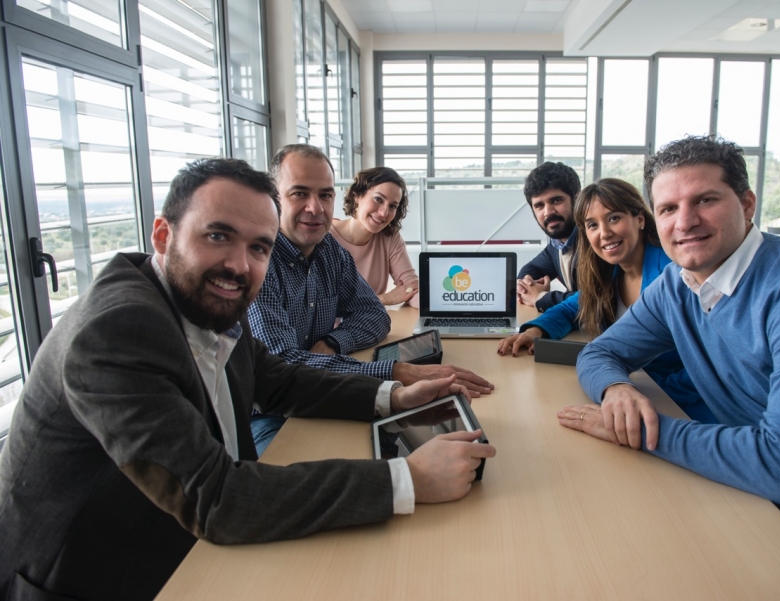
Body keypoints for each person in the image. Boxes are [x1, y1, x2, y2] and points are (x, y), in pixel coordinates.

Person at [0, 158, 496, 601]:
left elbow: (279, 380)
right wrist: (408, 477)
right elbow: (216, 500)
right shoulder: (117, 330)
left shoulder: (206, 302)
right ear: (162, 236)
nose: (239, 265)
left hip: (187, 541)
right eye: (218, 236)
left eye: (259, 247)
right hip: (99, 577)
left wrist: (395, 395)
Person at [559, 136, 780, 600]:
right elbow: (600, 354)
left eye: (705, 200)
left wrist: (640, 430)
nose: (685, 222)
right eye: (668, 208)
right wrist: (617, 391)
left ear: (746, 204)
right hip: (759, 489)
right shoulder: (678, 287)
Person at [248, 145, 492, 454]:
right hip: (270, 414)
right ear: (274, 197)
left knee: (413, 445)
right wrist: (394, 371)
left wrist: (333, 343)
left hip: (327, 390)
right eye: (299, 194)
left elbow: (376, 316)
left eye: (324, 195)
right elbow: (282, 368)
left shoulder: (330, 252)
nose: (316, 207)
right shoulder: (259, 261)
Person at [498, 179, 714, 423]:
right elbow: (571, 308)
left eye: (614, 218)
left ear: (640, 219)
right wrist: (537, 330)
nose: (604, 233)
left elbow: (711, 364)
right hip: (633, 393)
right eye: (592, 225)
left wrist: (647, 393)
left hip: (687, 408)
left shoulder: (675, 275)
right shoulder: (609, 273)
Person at [331, 166, 419, 308]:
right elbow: (324, 306)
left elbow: (411, 288)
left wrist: (449, 306)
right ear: (357, 195)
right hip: (332, 330)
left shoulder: (389, 238)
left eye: (392, 206)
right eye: (378, 199)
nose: (384, 213)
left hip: (371, 326)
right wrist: (385, 299)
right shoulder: (325, 238)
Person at [516, 161, 581, 312]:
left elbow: (594, 300)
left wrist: (541, 297)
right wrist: (525, 286)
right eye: (539, 205)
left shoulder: (597, 240)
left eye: (556, 200)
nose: (548, 212)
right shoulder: (557, 244)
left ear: (577, 200)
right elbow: (533, 268)